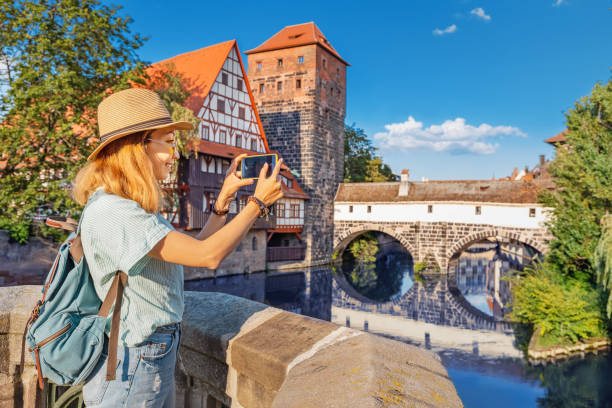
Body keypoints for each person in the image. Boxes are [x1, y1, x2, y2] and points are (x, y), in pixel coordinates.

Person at [72, 88, 284, 407]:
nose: (175, 154)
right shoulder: (116, 211)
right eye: (168, 144)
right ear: (137, 148)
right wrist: (257, 205)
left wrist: (223, 202)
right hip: (133, 362)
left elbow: (196, 249)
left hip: (146, 356)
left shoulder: (126, 207)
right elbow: (209, 256)